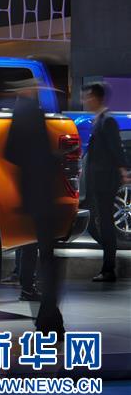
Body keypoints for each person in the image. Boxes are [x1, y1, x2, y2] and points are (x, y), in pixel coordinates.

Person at [4, 79, 64, 334]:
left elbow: (10, 151)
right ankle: (49, 319)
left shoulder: (19, 112)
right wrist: (52, 159)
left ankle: (45, 315)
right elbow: (32, 151)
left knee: (33, 248)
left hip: (28, 191)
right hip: (42, 192)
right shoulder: (33, 113)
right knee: (47, 256)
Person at [82, 83, 130, 282]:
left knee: (105, 224)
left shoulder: (107, 120)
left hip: (105, 182)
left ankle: (109, 268)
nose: (84, 101)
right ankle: (109, 259)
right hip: (98, 181)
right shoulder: (99, 120)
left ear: (96, 98)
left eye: (87, 97)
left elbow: (116, 149)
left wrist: (123, 171)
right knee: (94, 225)